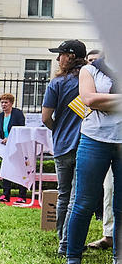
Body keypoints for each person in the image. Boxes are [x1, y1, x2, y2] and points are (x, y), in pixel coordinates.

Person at [63, 57, 121, 264]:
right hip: (94, 140)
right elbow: (88, 99)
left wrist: (104, 101)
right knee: (83, 203)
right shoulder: (90, 70)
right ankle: (73, 263)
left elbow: (97, 100)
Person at [43, 40, 88, 251]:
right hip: (86, 143)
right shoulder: (90, 80)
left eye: (60, 54)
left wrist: (58, 129)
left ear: (70, 56)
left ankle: (63, 238)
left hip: (62, 144)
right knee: (77, 196)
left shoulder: (56, 83)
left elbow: (45, 118)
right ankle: (67, 243)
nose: (57, 59)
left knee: (63, 194)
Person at [86, 49, 115, 251]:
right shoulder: (94, 72)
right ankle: (110, 235)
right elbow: (90, 103)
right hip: (106, 137)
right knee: (110, 189)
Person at [0, 92, 29, 202]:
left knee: (20, 170)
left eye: (6, 102)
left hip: (18, 145)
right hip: (6, 147)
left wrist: (10, 138)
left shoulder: (17, 113)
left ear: (11, 103)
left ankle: (22, 196)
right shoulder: (0, 116)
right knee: (5, 170)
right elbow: (2, 132)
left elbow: (21, 129)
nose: (3, 105)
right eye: (2, 102)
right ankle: (6, 195)